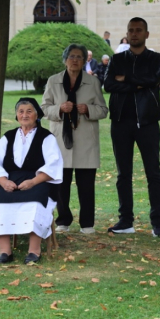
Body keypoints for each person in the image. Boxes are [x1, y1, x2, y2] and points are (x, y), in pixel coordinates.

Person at [104, 17, 160, 237]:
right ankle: (126, 220)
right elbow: (109, 84)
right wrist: (137, 82)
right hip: (121, 122)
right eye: (131, 30)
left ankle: (158, 222)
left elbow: (154, 78)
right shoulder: (117, 58)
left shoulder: (156, 58)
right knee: (123, 174)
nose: (134, 34)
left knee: (153, 173)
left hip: (148, 122)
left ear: (146, 34)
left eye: (139, 30)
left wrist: (126, 79)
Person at [0, 98, 63, 264]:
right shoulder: (8, 137)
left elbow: (53, 165)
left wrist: (33, 182)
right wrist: (3, 182)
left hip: (39, 181)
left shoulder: (46, 137)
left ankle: (34, 250)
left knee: (35, 202)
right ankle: (5, 251)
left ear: (36, 115)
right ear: (17, 116)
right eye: (21, 111)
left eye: (29, 111)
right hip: (10, 181)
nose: (24, 115)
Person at [42, 44, 108, 234]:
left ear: (85, 60)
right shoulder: (53, 81)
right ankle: (63, 221)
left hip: (86, 139)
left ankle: (87, 223)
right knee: (61, 185)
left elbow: (103, 110)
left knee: (86, 185)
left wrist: (88, 109)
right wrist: (59, 109)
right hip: (61, 140)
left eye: (79, 57)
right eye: (71, 56)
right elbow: (45, 108)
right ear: (65, 60)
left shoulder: (93, 82)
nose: (75, 60)